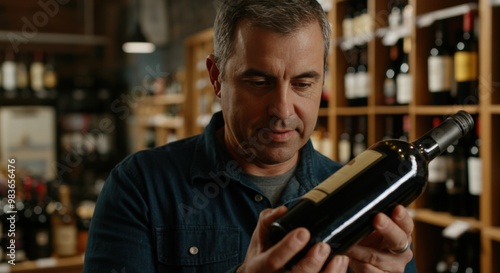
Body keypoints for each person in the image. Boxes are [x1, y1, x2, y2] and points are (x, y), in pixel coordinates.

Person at [83, 0, 417, 272]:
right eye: (259, 83)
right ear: (216, 78)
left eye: (303, 83)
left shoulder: (364, 195)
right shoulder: (140, 187)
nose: (283, 110)